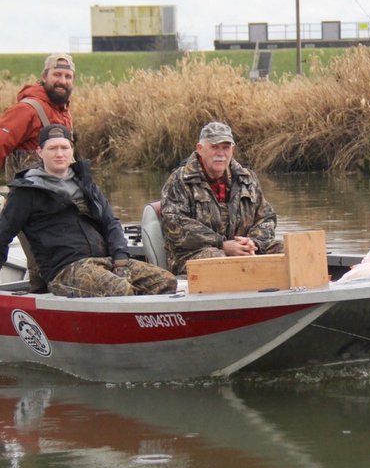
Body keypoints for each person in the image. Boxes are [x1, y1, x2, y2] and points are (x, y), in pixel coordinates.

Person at [0, 124, 177, 297]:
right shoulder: (25, 192)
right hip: (65, 270)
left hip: (105, 261)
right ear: (40, 152)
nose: (60, 154)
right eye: (53, 148)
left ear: (72, 150)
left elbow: (111, 223)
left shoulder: (85, 183)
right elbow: (3, 234)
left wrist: (121, 259)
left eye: (64, 147)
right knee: (120, 290)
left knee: (166, 281)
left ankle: (149, 324)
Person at [159, 121, 284, 277]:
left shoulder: (247, 178)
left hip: (243, 251)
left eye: (225, 147)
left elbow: (267, 218)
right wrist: (222, 245)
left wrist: (253, 243)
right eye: (214, 147)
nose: (221, 153)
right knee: (220, 260)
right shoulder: (180, 180)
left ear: (232, 150)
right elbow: (174, 225)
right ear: (200, 149)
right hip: (191, 256)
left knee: (286, 250)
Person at [0, 53, 75, 183]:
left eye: (68, 76)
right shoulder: (26, 109)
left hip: (58, 195)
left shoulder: (64, 113)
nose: (63, 81)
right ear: (44, 77)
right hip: (26, 197)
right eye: (57, 74)